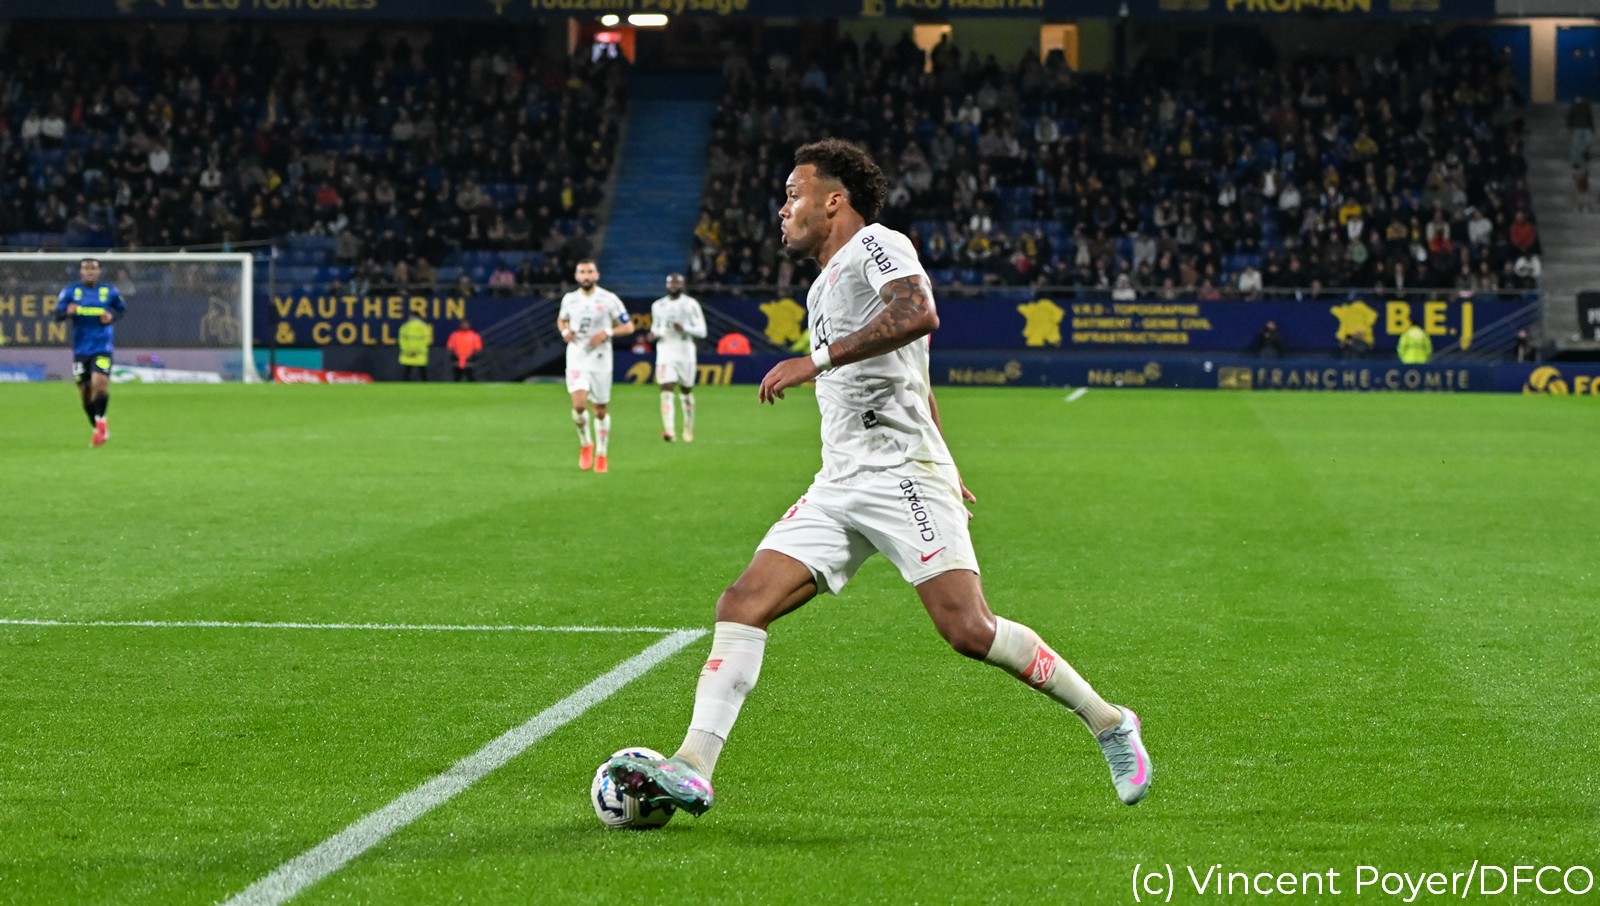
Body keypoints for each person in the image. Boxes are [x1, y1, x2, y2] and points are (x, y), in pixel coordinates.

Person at [606, 138, 1152, 819]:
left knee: (968, 629)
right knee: (742, 602)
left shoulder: (877, 245)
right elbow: (915, 374)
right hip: (839, 481)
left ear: (834, 200)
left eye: (793, 195)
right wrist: (946, 451)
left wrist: (818, 363)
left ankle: (1109, 722)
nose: (783, 210)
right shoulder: (822, 284)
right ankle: (693, 765)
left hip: (900, 476)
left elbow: (918, 311)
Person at [557, 259, 634, 473]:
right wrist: (565, 331)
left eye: (590, 272)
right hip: (577, 356)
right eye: (582, 272)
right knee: (579, 405)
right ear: (576, 276)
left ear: (597, 275)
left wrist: (607, 332)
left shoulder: (609, 299)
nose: (586, 276)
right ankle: (586, 444)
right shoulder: (569, 299)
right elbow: (561, 320)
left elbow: (628, 327)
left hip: (600, 359)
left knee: (600, 410)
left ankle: (601, 453)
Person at [53, 258, 125, 447]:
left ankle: (100, 422)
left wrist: (111, 316)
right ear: (81, 272)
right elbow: (57, 315)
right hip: (81, 349)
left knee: (99, 385)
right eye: (86, 268)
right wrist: (68, 312)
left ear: (99, 271)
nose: (90, 271)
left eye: (93, 268)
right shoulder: (70, 292)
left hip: (102, 347)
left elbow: (121, 310)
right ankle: (98, 428)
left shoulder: (109, 291)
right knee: (85, 393)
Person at [649, 273, 707, 442]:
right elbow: (656, 327)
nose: (674, 286)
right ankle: (669, 430)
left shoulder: (691, 304)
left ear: (683, 285)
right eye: (671, 283)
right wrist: (654, 334)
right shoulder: (658, 305)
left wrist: (684, 328)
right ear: (667, 285)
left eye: (677, 283)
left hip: (685, 352)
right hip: (665, 351)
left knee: (686, 390)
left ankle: (688, 427)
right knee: (666, 388)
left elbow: (702, 331)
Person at [398, 315, 433, 381]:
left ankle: (404, 384)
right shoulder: (423, 327)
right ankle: (425, 384)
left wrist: (408, 350)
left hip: (408, 353)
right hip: (420, 353)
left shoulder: (405, 327)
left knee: (407, 370)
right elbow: (426, 340)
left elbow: (402, 341)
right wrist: (417, 350)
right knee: (422, 371)